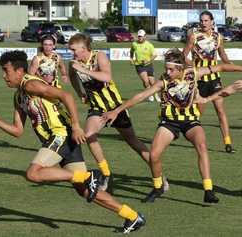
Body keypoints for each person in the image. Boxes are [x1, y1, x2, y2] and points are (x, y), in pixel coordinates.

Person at [0, 50, 145, 234]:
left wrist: (76, 126)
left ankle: (88, 176)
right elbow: (18, 131)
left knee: (33, 174)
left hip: (62, 135)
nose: (4, 76)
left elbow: (66, 96)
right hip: (63, 139)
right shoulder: (19, 96)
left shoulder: (30, 84)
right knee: (84, 191)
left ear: (19, 71)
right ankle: (132, 216)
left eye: (6, 70)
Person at [102, 48, 242, 203]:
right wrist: (117, 111)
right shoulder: (163, 81)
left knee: (201, 145)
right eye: (166, 68)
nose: (167, 72)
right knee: (154, 155)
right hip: (170, 122)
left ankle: (208, 190)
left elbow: (221, 67)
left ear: (180, 69)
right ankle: (158, 187)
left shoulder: (193, 74)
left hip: (190, 121)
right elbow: (142, 96)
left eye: (171, 69)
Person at [68, 33, 169, 192]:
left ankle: (160, 176)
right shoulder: (74, 63)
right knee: (89, 135)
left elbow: (107, 76)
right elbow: (73, 77)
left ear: (83, 47)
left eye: (74, 50)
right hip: (97, 108)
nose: (72, 53)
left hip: (116, 108)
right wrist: (80, 92)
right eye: (70, 50)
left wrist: (84, 70)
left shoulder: (99, 56)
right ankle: (106, 174)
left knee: (133, 142)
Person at [183, 10, 234, 153]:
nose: (203, 23)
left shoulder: (218, 37)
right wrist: (192, 67)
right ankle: (195, 139)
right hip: (200, 81)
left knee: (220, 110)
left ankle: (228, 142)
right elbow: (183, 55)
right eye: (202, 20)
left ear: (212, 21)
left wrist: (230, 64)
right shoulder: (194, 36)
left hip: (214, 79)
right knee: (198, 113)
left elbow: (222, 54)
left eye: (206, 20)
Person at [130, 29, 160, 102]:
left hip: (149, 65)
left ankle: (156, 95)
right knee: (146, 82)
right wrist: (131, 58)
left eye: (141, 36)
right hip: (139, 65)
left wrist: (148, 60)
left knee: (152, 83)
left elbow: (155, 55)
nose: (140, 38)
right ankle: (149, 95)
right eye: (139, 36)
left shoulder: (149, 45)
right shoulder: (134, 44)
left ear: (145, 37)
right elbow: (131, 51)